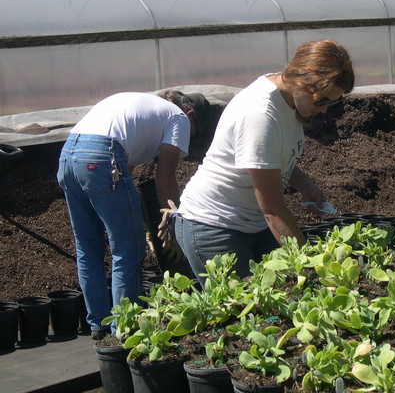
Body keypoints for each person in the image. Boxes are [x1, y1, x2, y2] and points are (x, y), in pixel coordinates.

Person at [172, 39, 354, 282]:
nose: (324, 110)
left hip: (252, 223)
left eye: (332, 102)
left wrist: (305, 184)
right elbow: (272, 208)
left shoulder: (287, 95)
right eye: (321, 100)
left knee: (274, 303)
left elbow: (270, 157)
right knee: (244, 312)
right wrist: (310, 264)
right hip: (214, 226)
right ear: (300, 79)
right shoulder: (260, 115)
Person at [56, 90, 209, 339]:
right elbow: (165, 179)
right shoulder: (178, 117)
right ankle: (124, 330)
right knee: (127, 249)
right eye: (195, 131)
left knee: (87, 248)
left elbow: (124, 170)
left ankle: (98, 325)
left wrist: (142, 222)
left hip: (68, 157)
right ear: (190, 115)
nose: (189, 140)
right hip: (101, 157)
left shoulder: (142, 110)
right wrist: (175, 227)